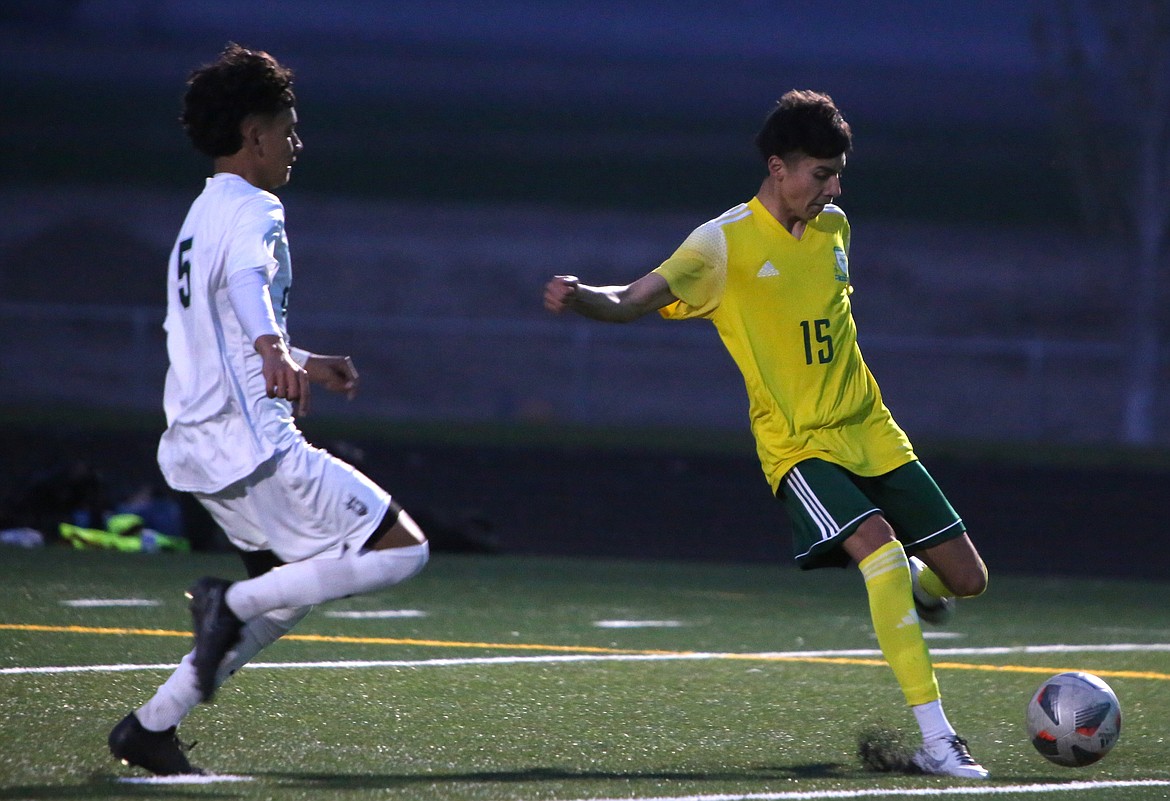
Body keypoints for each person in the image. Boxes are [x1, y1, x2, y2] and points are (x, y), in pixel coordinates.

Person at [543, 90, 990, 780]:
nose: (833, 187)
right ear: (779, 167)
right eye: (821, 172)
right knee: (878, 552)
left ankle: (922, 589)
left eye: (838, 173)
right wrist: (579, 295)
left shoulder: (835, 227)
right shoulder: (719, 244)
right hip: (799, 445)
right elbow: (631, 300)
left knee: (969, 578)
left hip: (872, 429)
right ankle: (937, 740)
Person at [108, 43, 430, 776]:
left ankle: (150, 727)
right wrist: (271, 348)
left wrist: (294, 355)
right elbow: (252, 286)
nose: (296, 143)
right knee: (402, 546)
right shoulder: (255, 207)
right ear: (254, 134)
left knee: (284, 602)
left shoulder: (200, 215)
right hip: (253, 444)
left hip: (200, 444)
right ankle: (228, 596)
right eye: (288, 128)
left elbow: (214, 321)